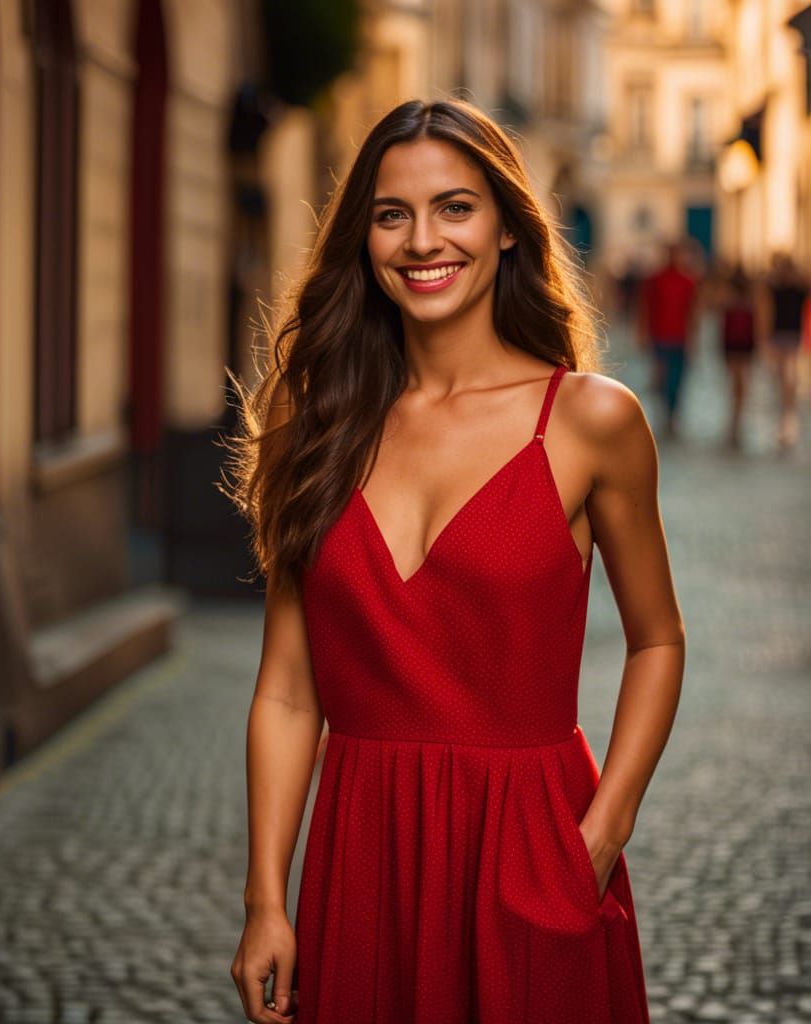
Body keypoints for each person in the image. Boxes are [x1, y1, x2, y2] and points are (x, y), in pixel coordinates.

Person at [224, 98, 685, 1024]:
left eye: (456, 208)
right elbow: (286, 689)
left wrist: (602, 832)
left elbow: (658, 642)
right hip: (361, 865)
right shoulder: (313, 424)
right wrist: (266, 899)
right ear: (363, 238)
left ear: (509, 227)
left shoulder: (592, 421)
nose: (422, 240)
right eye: (391, 214)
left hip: (533, 852)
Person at [636, 241, 700, 438]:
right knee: (662, 378)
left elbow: (693, 312)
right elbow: (646, 307)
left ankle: (673, 416)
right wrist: (642, 333)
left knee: (677, 380)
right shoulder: (654, 280)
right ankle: (664, 415)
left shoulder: (688, 281)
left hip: (679, 337)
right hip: (660, 337)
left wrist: (693, 338)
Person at [758, 252, 809, 451]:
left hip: (791, 335)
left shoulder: (798, 287)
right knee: (781, 374)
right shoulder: (773, 288)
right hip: (779, 335)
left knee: (788, 373)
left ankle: (788, 410)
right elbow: (766, 310)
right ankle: (786, 408)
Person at [718, 265, 757, 450]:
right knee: (739, 382)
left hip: (734, 344)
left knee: (737, 382)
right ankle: (736, 417)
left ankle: (736, 418)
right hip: (741, 344)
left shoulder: (728, 299)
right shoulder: (751, 300)